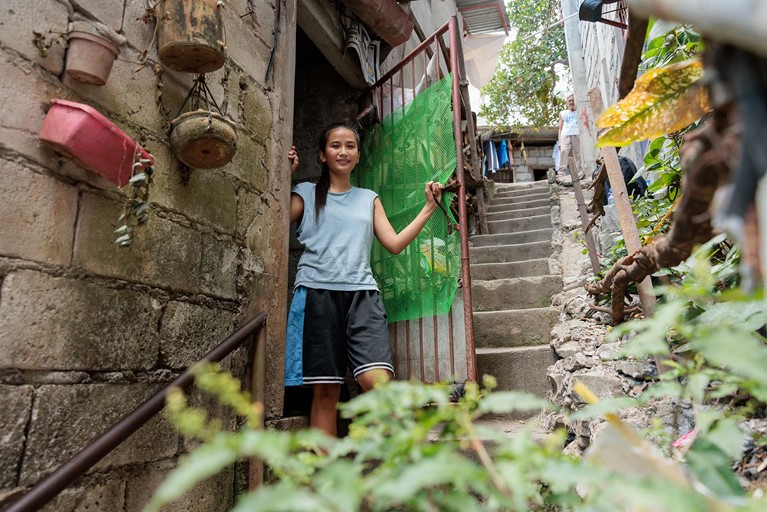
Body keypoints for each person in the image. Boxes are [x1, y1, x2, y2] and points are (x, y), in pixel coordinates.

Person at [284, 122, 443, 437]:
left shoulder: (368, 198)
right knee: (326, 391)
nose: (343, 151)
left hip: (362, 296)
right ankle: (325, 475)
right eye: (335, 145)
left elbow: (394, 244)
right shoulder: (303, 193)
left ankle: (397, 463)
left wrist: (428, 208)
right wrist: (281, 176)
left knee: (377, 382)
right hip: (316, 295)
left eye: (350, 146)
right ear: (322, 154)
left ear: (357, 156)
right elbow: (273, 221)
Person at [557, 94, 584, 181]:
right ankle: (561, 172)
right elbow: (560, 128)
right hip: (565, 135)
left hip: (576, 134)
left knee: (578, 154)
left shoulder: (579, 112)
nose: (571, 102)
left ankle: (579, 171)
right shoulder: (563, 113)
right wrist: (559, 141)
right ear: (567, 103)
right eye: (570, 101)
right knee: (564, 152)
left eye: (573, 100)